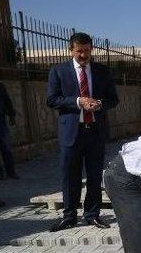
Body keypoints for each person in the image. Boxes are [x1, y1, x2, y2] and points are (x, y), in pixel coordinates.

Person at [46, 32, 119, 232]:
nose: (84, 55)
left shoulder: (102, 71)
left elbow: (113, 99)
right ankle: (69, 216)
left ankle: (92, 215)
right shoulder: (59, 71)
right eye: (79, 51)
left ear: (91, 49)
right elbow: (52, 100)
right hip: (71, 132)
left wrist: (99, 104)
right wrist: (78, 101)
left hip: (95, 131)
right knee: (70, 176)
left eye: (87, 51)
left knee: (95, 175)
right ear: (71, 50)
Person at [0, 80, 19, 180]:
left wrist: (11, 115)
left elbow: (7, 101)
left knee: (6, 147)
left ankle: (11, 172)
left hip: (0, 120)